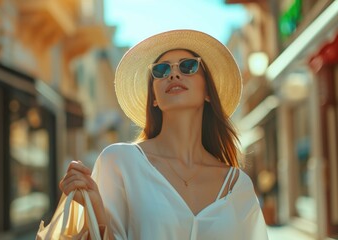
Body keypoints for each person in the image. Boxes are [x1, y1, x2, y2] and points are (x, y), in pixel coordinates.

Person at [59, 29, 269, 240]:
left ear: (207, 91)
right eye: (161, 70)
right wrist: (96, 210)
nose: (173, 74)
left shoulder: (237, 186)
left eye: (188, 66)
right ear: (154, 98)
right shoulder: (120, 162)